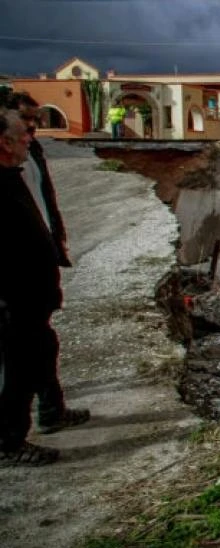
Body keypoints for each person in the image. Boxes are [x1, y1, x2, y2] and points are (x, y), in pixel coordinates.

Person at [9, 93, 89, 434]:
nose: (33, 128)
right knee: (18, 358)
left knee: (42, 345)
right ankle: (10, 437)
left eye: (37, 121)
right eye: (27, 119)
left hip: (37, 266)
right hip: (14, 279)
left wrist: (55, 239)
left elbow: (43, 202)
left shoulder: (31, 154)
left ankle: (51, 409)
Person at [0, 110, 62, 466]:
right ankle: (8, 442)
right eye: (23, 133)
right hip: (13, 301)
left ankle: (52, 411)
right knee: (14, 371)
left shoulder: (14, 176)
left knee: (39, 353)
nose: (30, 138)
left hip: (31, 297)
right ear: (3, 142)